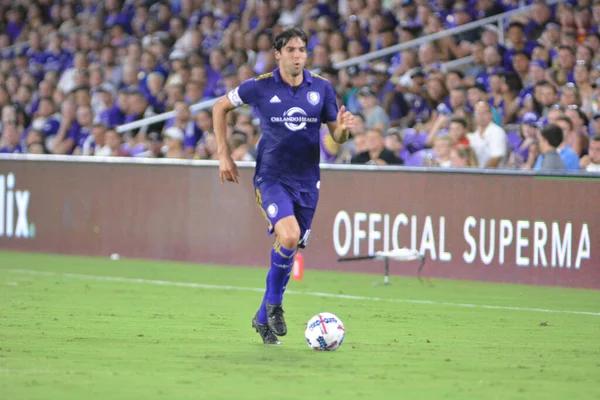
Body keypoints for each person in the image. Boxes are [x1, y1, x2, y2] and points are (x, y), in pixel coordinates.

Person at [212, 27, 354, 345]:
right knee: (288, 235)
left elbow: (337, 136)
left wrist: (344, 130)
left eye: (302, 49)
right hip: (271, 178)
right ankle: (275, 305)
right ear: (278, 54)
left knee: (289, 247)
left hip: (308, 183)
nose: (297, 55)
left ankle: (262, 318)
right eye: (291, 49)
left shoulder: (322, 88)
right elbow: (219, 107)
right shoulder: (259, 87)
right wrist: (224, 156)